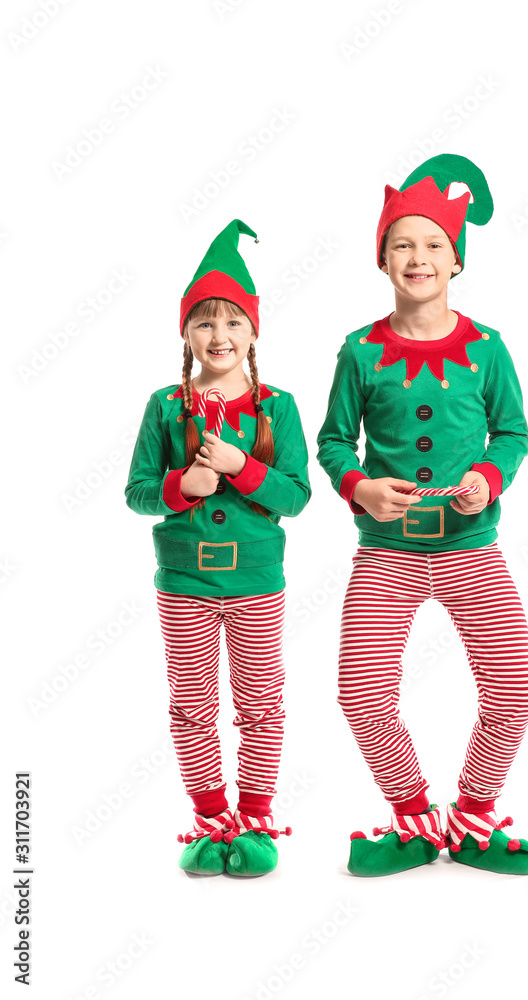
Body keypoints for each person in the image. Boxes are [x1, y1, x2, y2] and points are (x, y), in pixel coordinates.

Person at [317, 154, 528, 877]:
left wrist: (486, 476)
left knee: (514, 688)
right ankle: (413, 819)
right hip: (385, 552)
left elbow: (512, 433)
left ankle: (473, 816)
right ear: (381, 258)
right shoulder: (357, 350)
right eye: (402, 244)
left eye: (434, 245)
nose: (418, 257)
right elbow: (329, 440)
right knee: (361, 694)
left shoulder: (488, 349)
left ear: (456, 259)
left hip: (470, 544)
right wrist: (359, 488)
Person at [125, 219, 311, 876]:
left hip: (258, 580)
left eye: (233, 322)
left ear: (254, 332)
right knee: (191, 704)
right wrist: (184, 484)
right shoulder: (163, 406)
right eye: (204, 322)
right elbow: (138, 492)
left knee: (260, 703)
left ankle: (255, 823)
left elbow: (296, 496)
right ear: (185, 333)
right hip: (183, 583)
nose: (219, 336)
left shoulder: (277, 408)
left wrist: (240, 465)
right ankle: (209, 821)